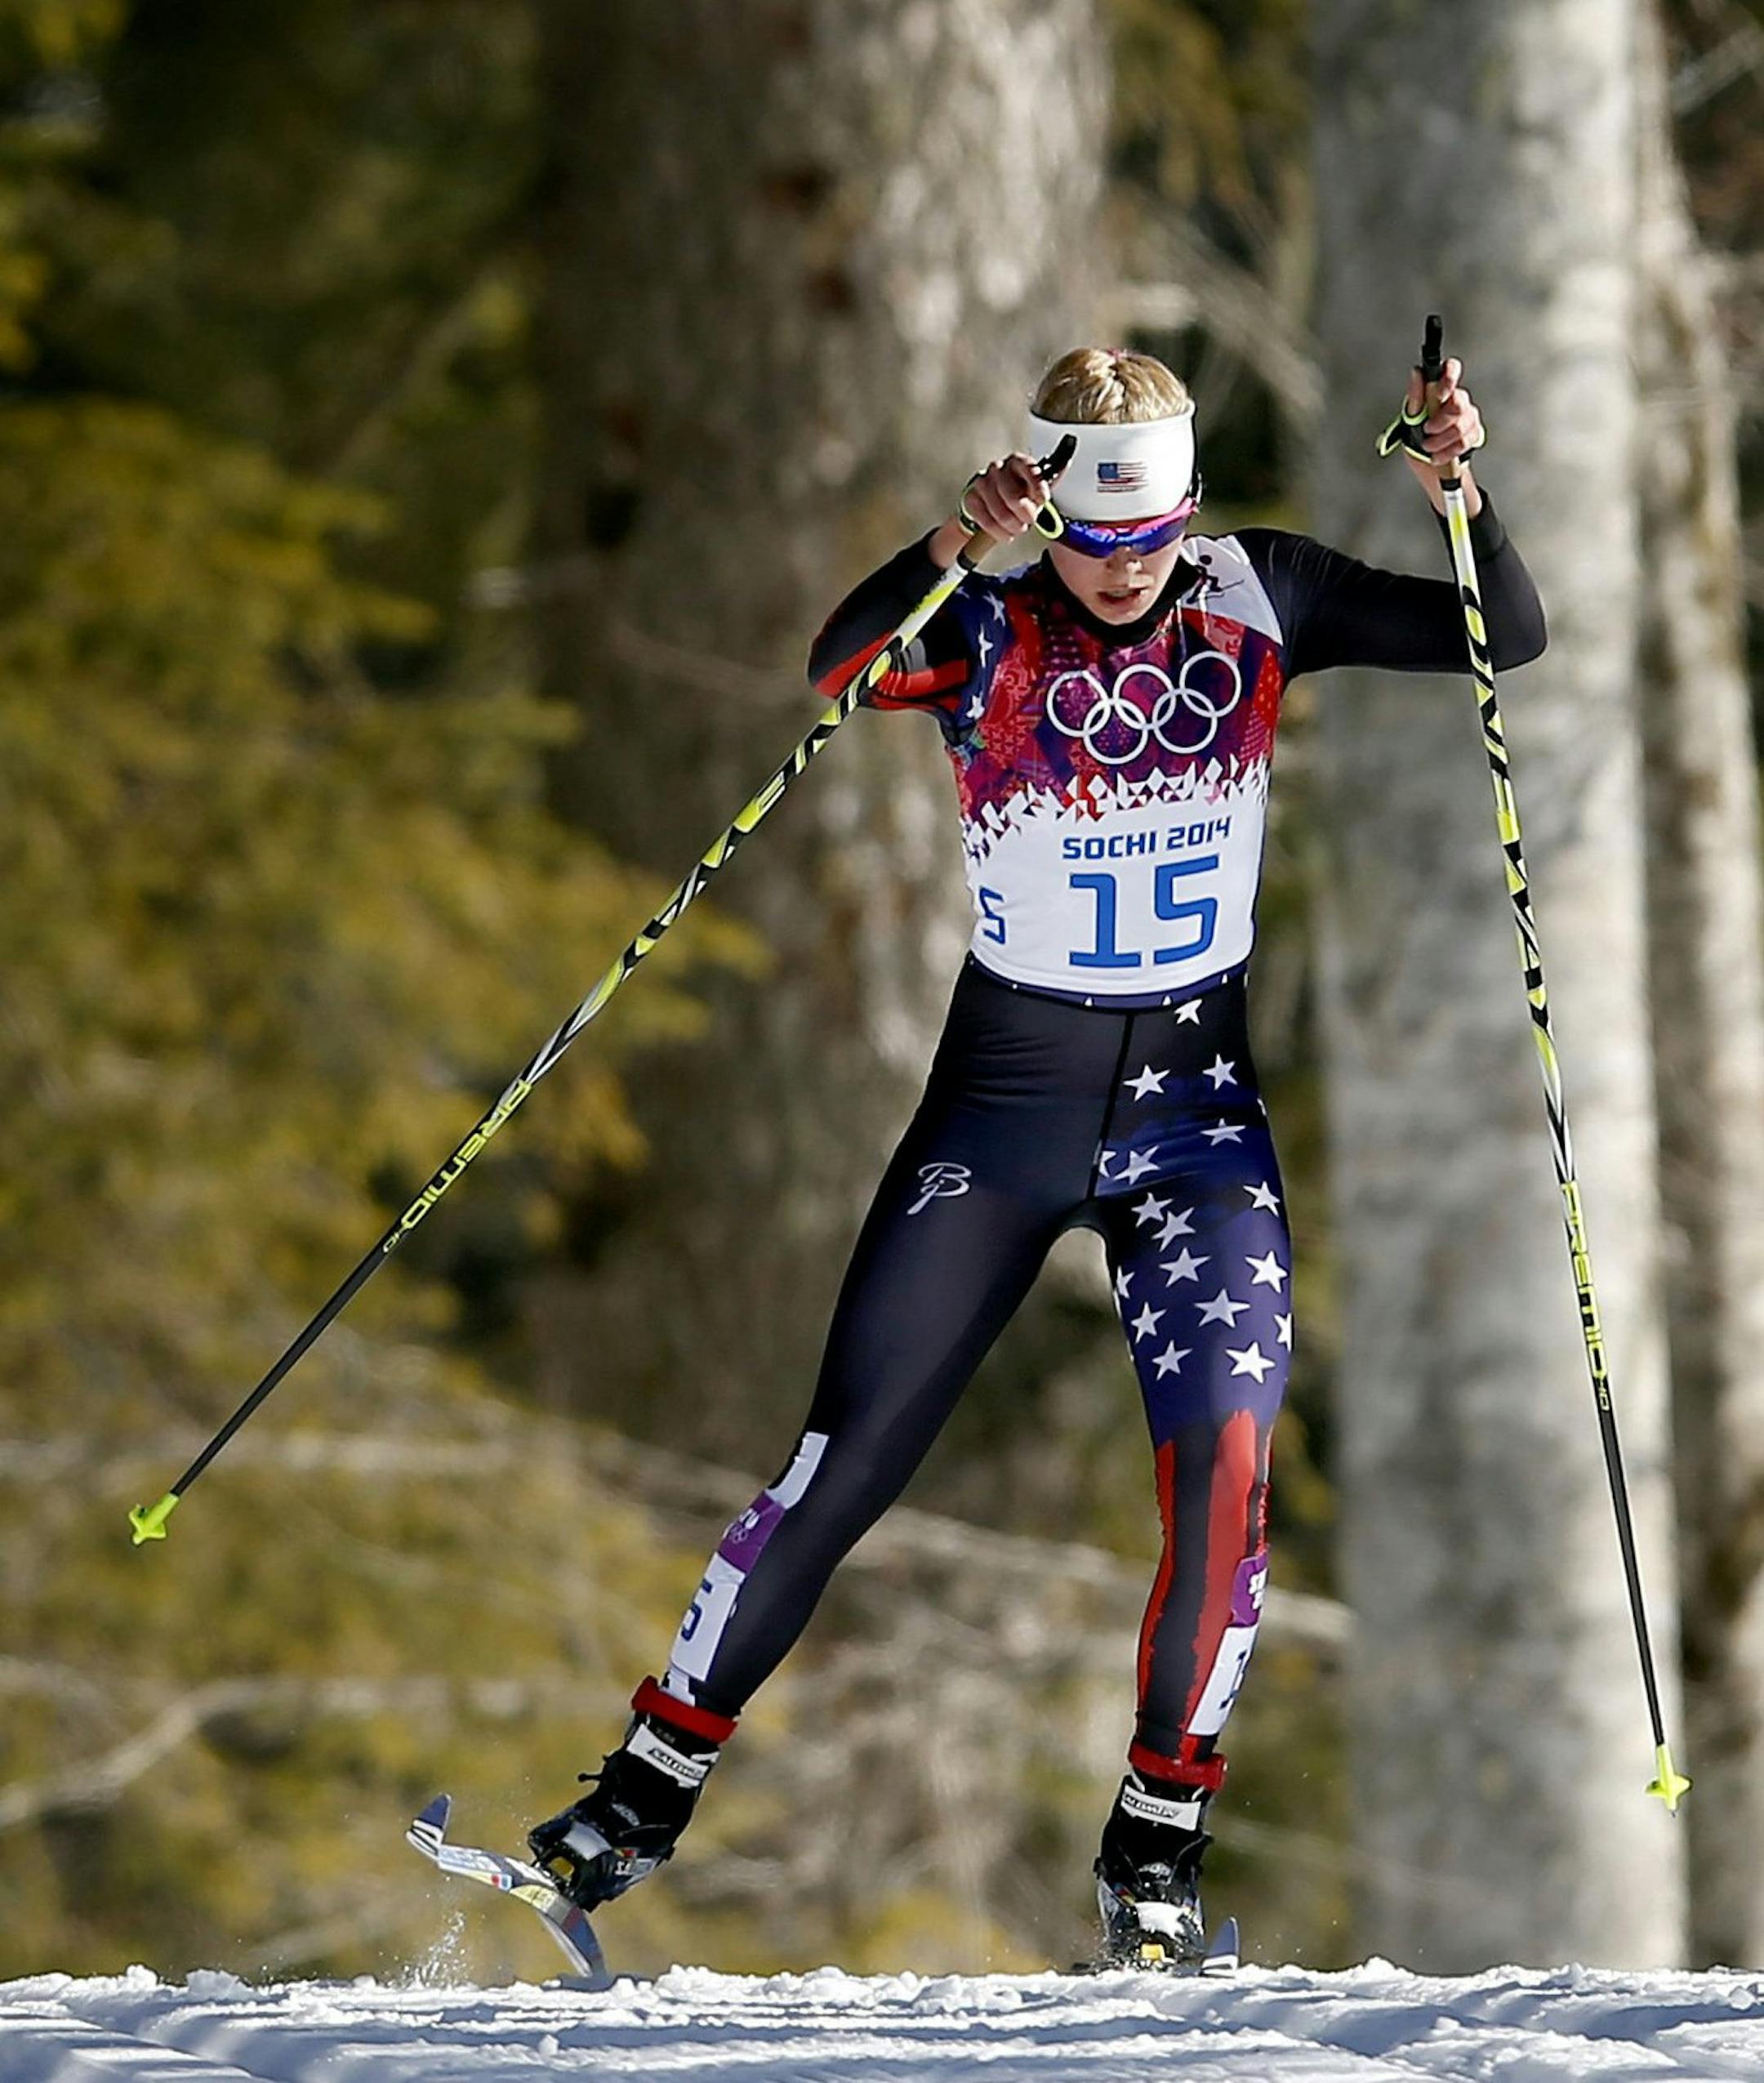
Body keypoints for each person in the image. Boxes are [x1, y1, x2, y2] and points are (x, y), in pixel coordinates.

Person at [528, 345, 1547, 1968]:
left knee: (1225, 1470)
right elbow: (840, 672)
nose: (1128, 571)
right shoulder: (992, 622)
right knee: (844, 1457)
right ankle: (643, 1787)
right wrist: (953, 543)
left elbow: (1508, 639)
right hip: (1003, 1114)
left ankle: (1157, 1839)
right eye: (1094, 537)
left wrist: (1459, 493)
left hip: (1196, 1127)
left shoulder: (1260, 592)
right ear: (1045, 504)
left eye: (1153, 540)